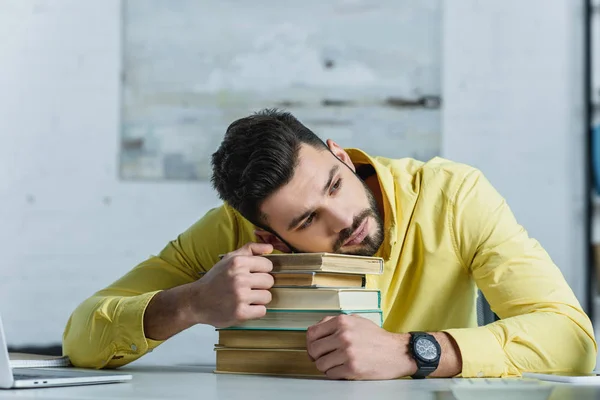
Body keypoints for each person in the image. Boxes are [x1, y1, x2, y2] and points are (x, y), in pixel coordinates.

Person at [63, 109, 597, 380]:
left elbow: (573, 340)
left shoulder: (454, 196)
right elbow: (81, 337)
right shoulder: (228, 232)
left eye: (335, 185)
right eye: (309, 218)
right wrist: (191, 304)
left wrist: (413, 352)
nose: (346, 219)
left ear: (339, 155)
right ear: (270, 236)